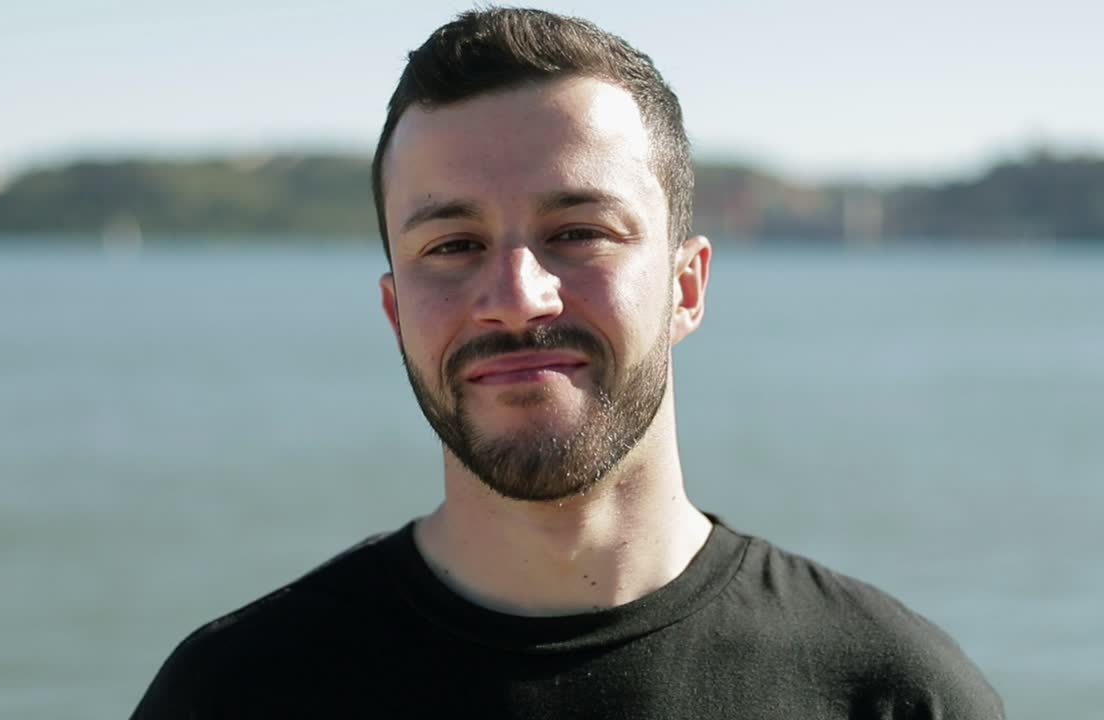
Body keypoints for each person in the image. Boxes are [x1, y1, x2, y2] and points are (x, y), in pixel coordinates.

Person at [130, 8, 1003, 718]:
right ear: (396, 312)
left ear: (686, 287)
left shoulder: (890, 693)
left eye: (578, 232)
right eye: (453, 243)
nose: (516, 295)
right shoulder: (238, 694)